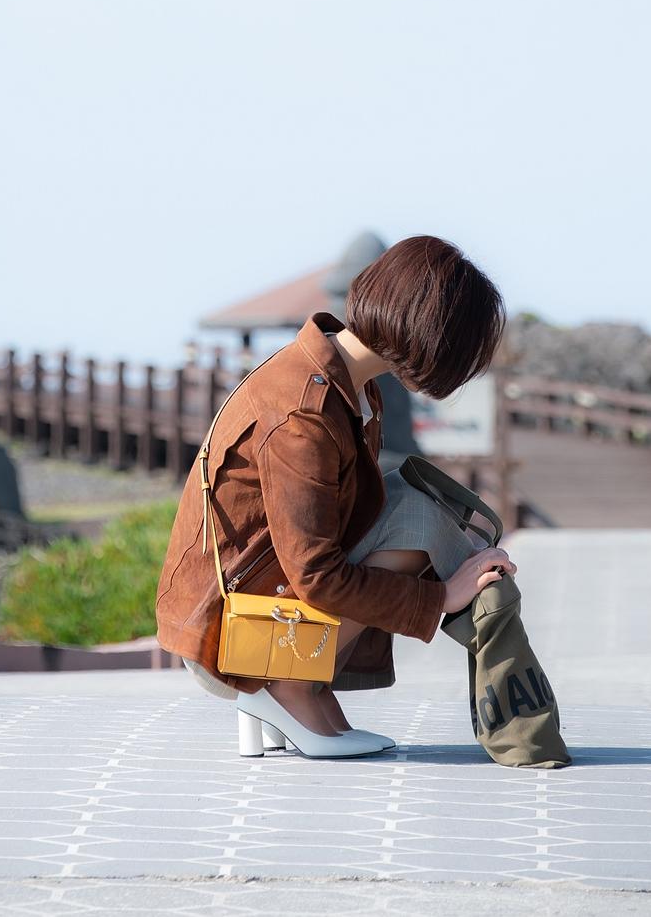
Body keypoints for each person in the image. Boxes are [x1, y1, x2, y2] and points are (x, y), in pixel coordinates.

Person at [155, 234, 518, 758]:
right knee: (416, 519)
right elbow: (316, 575)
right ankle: (287, 687)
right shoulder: (305, 410)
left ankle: (302, 685)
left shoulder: (345, 382)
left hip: (257, 599)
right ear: (432, 336)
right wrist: (440, 598)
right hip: (228, 629)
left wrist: (456, 550)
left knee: (417, 504)